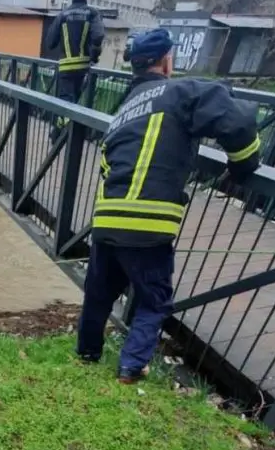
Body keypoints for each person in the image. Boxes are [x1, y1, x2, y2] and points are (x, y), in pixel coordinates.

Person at [76, 28, 261, 384]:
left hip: (106, 219)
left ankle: (87, 353)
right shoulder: (183, 91)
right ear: (166, 61)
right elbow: (237, 120)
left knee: (99, 293)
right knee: (154, 300)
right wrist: (241, 168)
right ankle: (130, 367)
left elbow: (105, 165)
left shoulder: (122, 110)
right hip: (149, 224)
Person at [45, 0, 104, 137]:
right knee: (74, 101)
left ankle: (60, 133)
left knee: (66, 100)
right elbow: (98, 36)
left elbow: (50, 42)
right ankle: (64, 133)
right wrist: (94, 56)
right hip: (83, 66)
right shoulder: (92, 13)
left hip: (65, 66)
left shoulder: (62, 15)